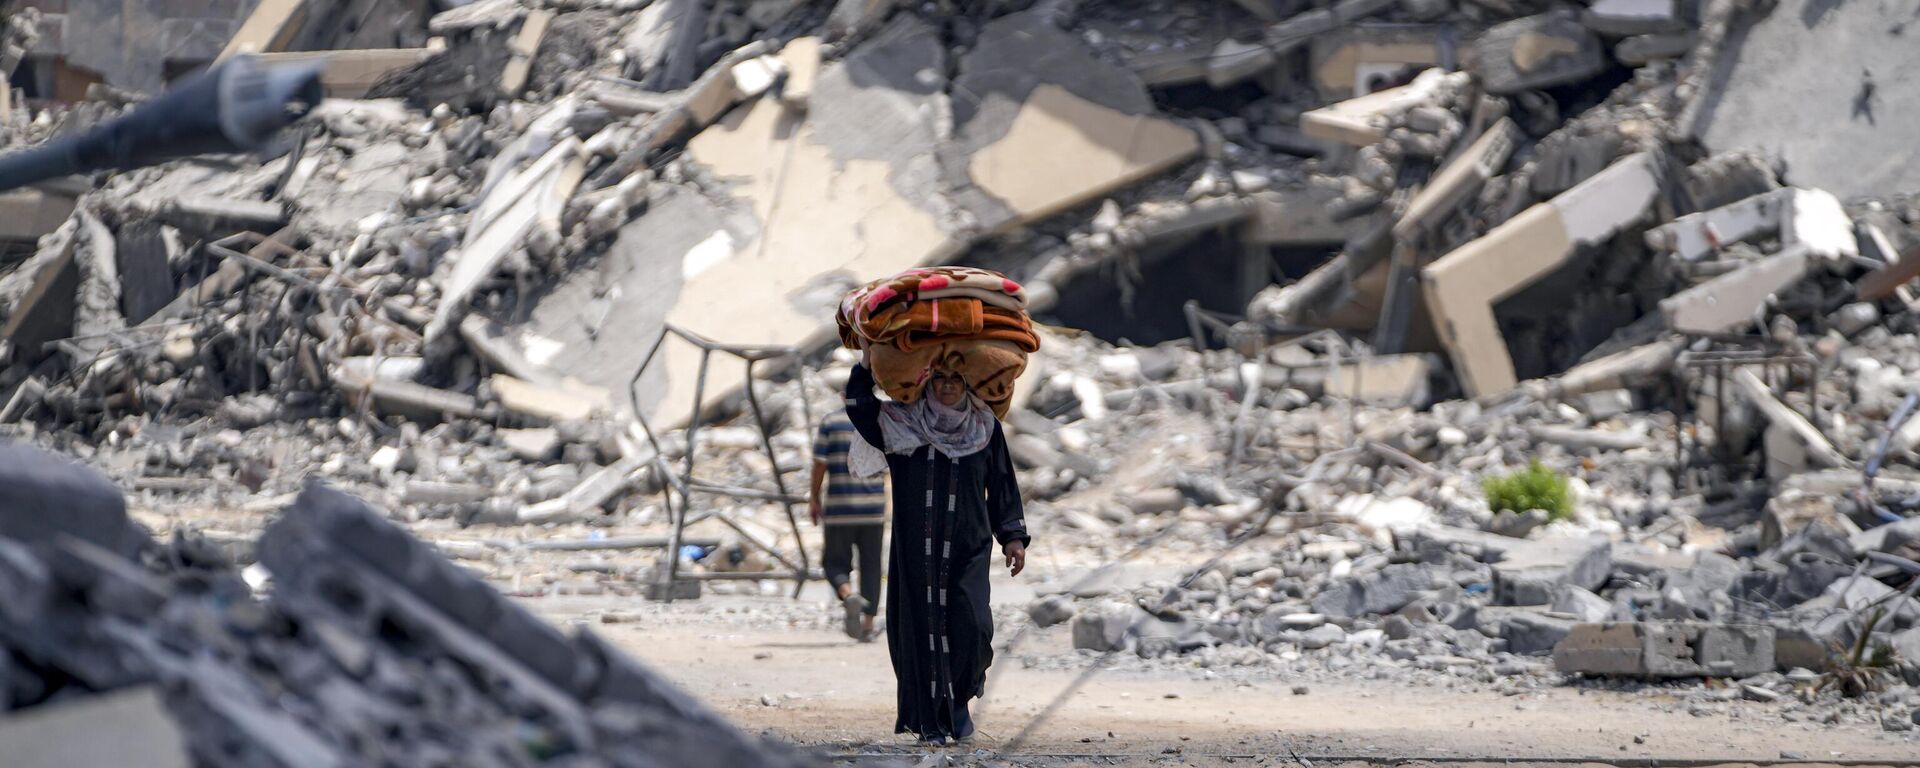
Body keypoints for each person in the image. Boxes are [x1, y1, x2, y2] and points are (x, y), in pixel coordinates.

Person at [843, 357, 1030, 745]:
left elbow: (1002, 483)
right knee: (920, 634)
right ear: (926, 382)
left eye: (955, 378)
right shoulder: (902, 426)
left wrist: (1011, 536)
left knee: (973, 626)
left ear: (967, 384)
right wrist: (866, 362)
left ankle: (959, 701)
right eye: (939, 377)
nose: (947, 385)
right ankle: (930, 721)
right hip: (917, 555)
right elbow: (860, 406)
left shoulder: (984, 428)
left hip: (969, 549)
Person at [809, 408, 888, 640]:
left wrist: (814, 497)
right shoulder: (880, 419)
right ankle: (868, 625)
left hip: (839, 508)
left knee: (834, 563)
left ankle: (848, 594)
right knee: (872, 567)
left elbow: (819, 464)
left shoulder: (831, 422)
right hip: (873, 509)